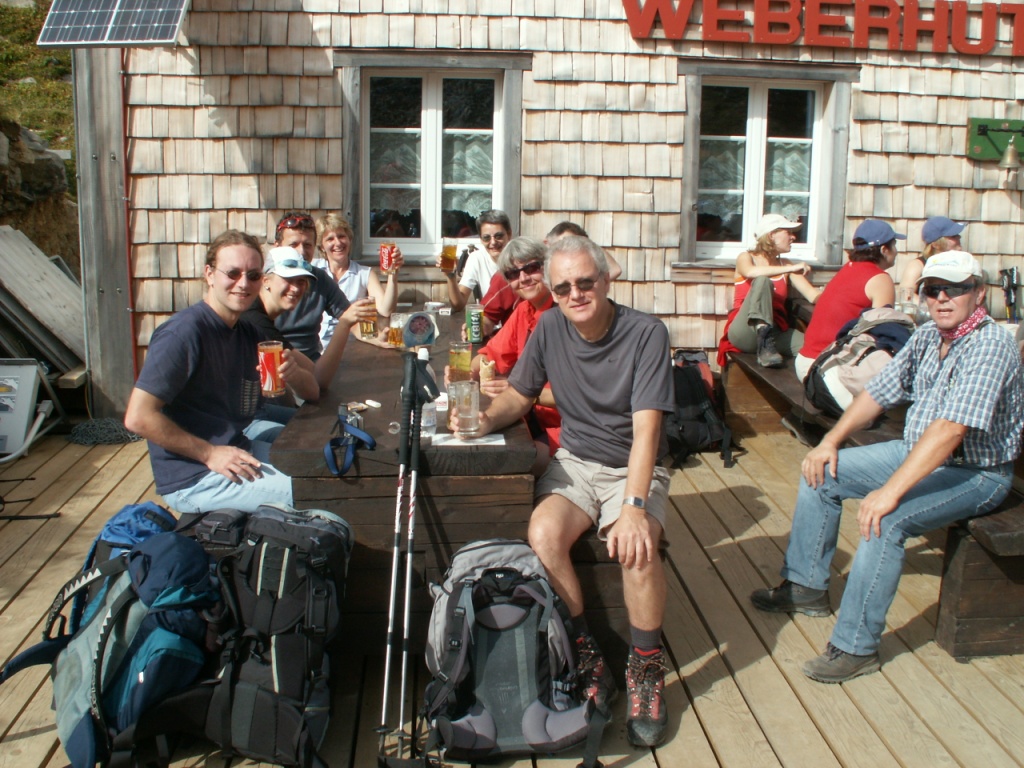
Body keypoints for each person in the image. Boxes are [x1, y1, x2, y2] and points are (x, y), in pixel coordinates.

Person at [751, 251, 1024, 683]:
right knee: (822, 473)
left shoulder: (990, 346)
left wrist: (890, 492)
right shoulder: (928, 335)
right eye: (933, 289)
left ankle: (856, 647)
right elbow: (878, 392)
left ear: (979, 293)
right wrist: (829, 441)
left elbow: (951, 431)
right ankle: (805, 587)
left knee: (886, 520)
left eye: (955, 288)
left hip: (976, 472)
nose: (942, 298)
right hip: (916, 452)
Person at [451, 235, 675, 747]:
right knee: (543, 533)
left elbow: (647, 433)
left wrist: (634, 508)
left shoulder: (646, 333)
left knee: (636, 545)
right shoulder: (550, 326)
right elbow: (519, 395)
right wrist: (483, 422)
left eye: (584, 282)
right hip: (575, 462)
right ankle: (586, 653)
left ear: (606, 279)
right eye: (563, 287)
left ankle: (645, 668)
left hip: (631, 466)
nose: (575, 294)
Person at [124, 230, 296, 514]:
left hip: (237, 450)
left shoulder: (248, 333)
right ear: (210, 274)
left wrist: (292, 372)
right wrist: (209, 453)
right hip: (195, 475)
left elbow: (312, 384)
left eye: (253, 275)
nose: (243, 283)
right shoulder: (183, 334)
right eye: (233, 273)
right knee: (313, 490)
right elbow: (138, 417)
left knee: (317, 468)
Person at [470, 237, 560, 469]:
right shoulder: (524, 310)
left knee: (507, 464)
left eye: (531, 268)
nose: (523, 278)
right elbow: (491, 355)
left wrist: (522, 392)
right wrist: (465, 373)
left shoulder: (566, 315)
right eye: (513, 274)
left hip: (568, 429)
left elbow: (577, 396)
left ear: (547, 266)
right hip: (530, 420)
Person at [271, 211, 376, 389]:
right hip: (276, 369)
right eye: (293, 245)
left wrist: (379, 339)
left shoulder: (319, 278)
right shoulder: (262, 283)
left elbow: (350, 319)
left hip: (312, 367)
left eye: (307, 245)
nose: (301, 252)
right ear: (277, 248)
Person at [794, 220, 901, 382]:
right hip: (827, 369)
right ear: (884, 250)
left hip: (806, 360)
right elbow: (884, 333)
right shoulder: (880, 279)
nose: (897, 251)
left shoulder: (848, 268)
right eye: (894, 245)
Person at [717, 213, 821, 369]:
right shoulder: (746, 257)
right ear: (771, 235)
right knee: (763, 281)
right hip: (744, 330)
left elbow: (813, 295)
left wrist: (839, 297)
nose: (793, 237)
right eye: (788, 232)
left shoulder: (786, 264)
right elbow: (751, 272)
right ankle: (763, 337)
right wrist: (791, 268)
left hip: (774, 333)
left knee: (815, 349)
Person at [312, 213, 402, 347]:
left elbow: (386, 310)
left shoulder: (364, 273)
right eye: (330, 239)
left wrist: (393, 274)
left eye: (341, 236)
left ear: (349, 239)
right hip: (317, 346)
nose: (338, 243)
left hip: (352, 345)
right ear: (321, 246)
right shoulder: (313, 269)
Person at [438, 209, 512, 313]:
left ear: (509, 234)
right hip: (491, 321)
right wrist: (450, 275)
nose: (493, 242)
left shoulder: (522, 257)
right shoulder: (476, 258)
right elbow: (458, 305)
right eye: (486, 238)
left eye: (498, 236)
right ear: (480, 239)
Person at [899, 216, 965, 303]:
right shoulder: (919, 265)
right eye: (953, 236)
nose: (959, 237)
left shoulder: (964, 264)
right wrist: (931, 307)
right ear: (936, 244)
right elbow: (906, 296)